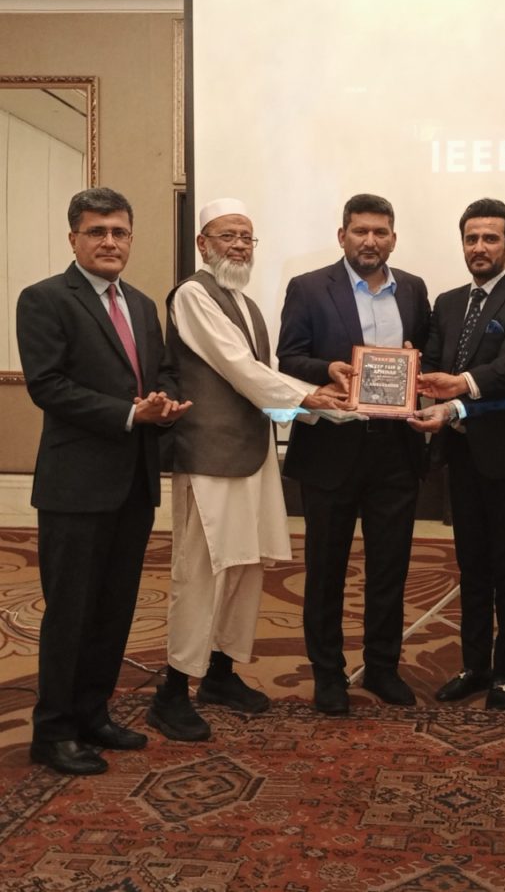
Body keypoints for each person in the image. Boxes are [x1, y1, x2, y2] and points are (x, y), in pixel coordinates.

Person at [147, 198, 350, 741]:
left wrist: (319, 402)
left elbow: (257, 378)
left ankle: (220, 674)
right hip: (209, 457)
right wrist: (312, 398)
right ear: (202, 244)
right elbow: (239, 369)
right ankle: (172, 692)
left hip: (251, 454)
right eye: (228, 236)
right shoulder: (192, 295)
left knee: (244, 568)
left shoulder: (247, 303)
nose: (239, 246)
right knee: (202, 572)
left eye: (246, 237)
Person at [16, 187, 190, 775]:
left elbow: (161, 371)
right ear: (74, 239)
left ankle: (93, 714)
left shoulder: (140, 303)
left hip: (134, 483)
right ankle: (53, 732)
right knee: (71, 612)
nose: (109, 241)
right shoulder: (44, 299)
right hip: (76, 486)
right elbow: (47, 385)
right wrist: (128, 414)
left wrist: (164, 403)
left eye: (119, 232)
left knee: (115, 609)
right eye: (97, 231)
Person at [278, 194, 430, 713]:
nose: (370, 241)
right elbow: (289, 356)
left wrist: (416, 364)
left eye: (380, 232)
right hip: (331, 447)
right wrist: (328, 369)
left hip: (395, 451)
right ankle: (328, 675)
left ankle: (382, 667)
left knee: (390, 567)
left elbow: (425, 353)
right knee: (326, 569)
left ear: (393, 238)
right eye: (360, 231)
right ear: (342, 235)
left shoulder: (413, 288)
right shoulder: (308, 287)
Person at [412, 198, 505, 711]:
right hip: (462, 454)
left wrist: (457, 393)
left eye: (490, 238)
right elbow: (431, 363)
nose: (479, 247)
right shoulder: (449, 302)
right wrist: (406, 377)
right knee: (471, 566)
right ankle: (474, 665)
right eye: (471, 238)